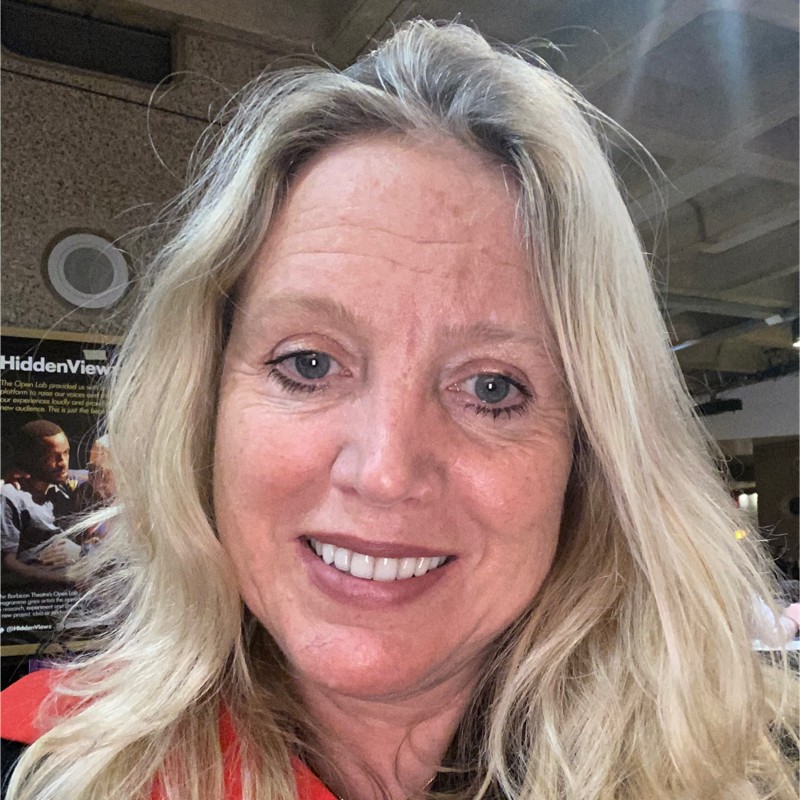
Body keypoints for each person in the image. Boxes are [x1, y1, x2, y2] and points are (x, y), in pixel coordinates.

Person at [2, 21, 797, 800]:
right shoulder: (45, 770)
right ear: (204, 410)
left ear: (588, 455)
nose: (384, 472)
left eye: (493, 388)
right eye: (308, 364)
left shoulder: (747, 772)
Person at [0, 420, 81, 583]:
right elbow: (7, 564)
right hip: (43, 583)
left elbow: (95, 473)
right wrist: (64, 578)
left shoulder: (62, 489)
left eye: (66, 453)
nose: (63, 463)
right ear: (32, 459)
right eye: (53, 456)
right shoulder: (10, 497)